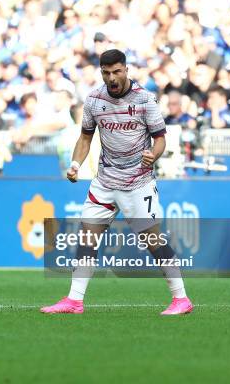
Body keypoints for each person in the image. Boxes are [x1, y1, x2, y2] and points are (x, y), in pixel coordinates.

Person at [40, 49, 193, 316]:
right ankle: (75, 300)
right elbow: (85, 138)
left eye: (117, 71)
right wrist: (75, 164)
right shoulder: (94, 100)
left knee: (152, 240)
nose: (112, 77)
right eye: (106, 72)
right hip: (104, 181)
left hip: (138, 182)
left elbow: (160, 139)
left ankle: (181, 299)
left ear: (126, 69)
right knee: (87, 237)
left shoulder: (145, 99)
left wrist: (152, 156)